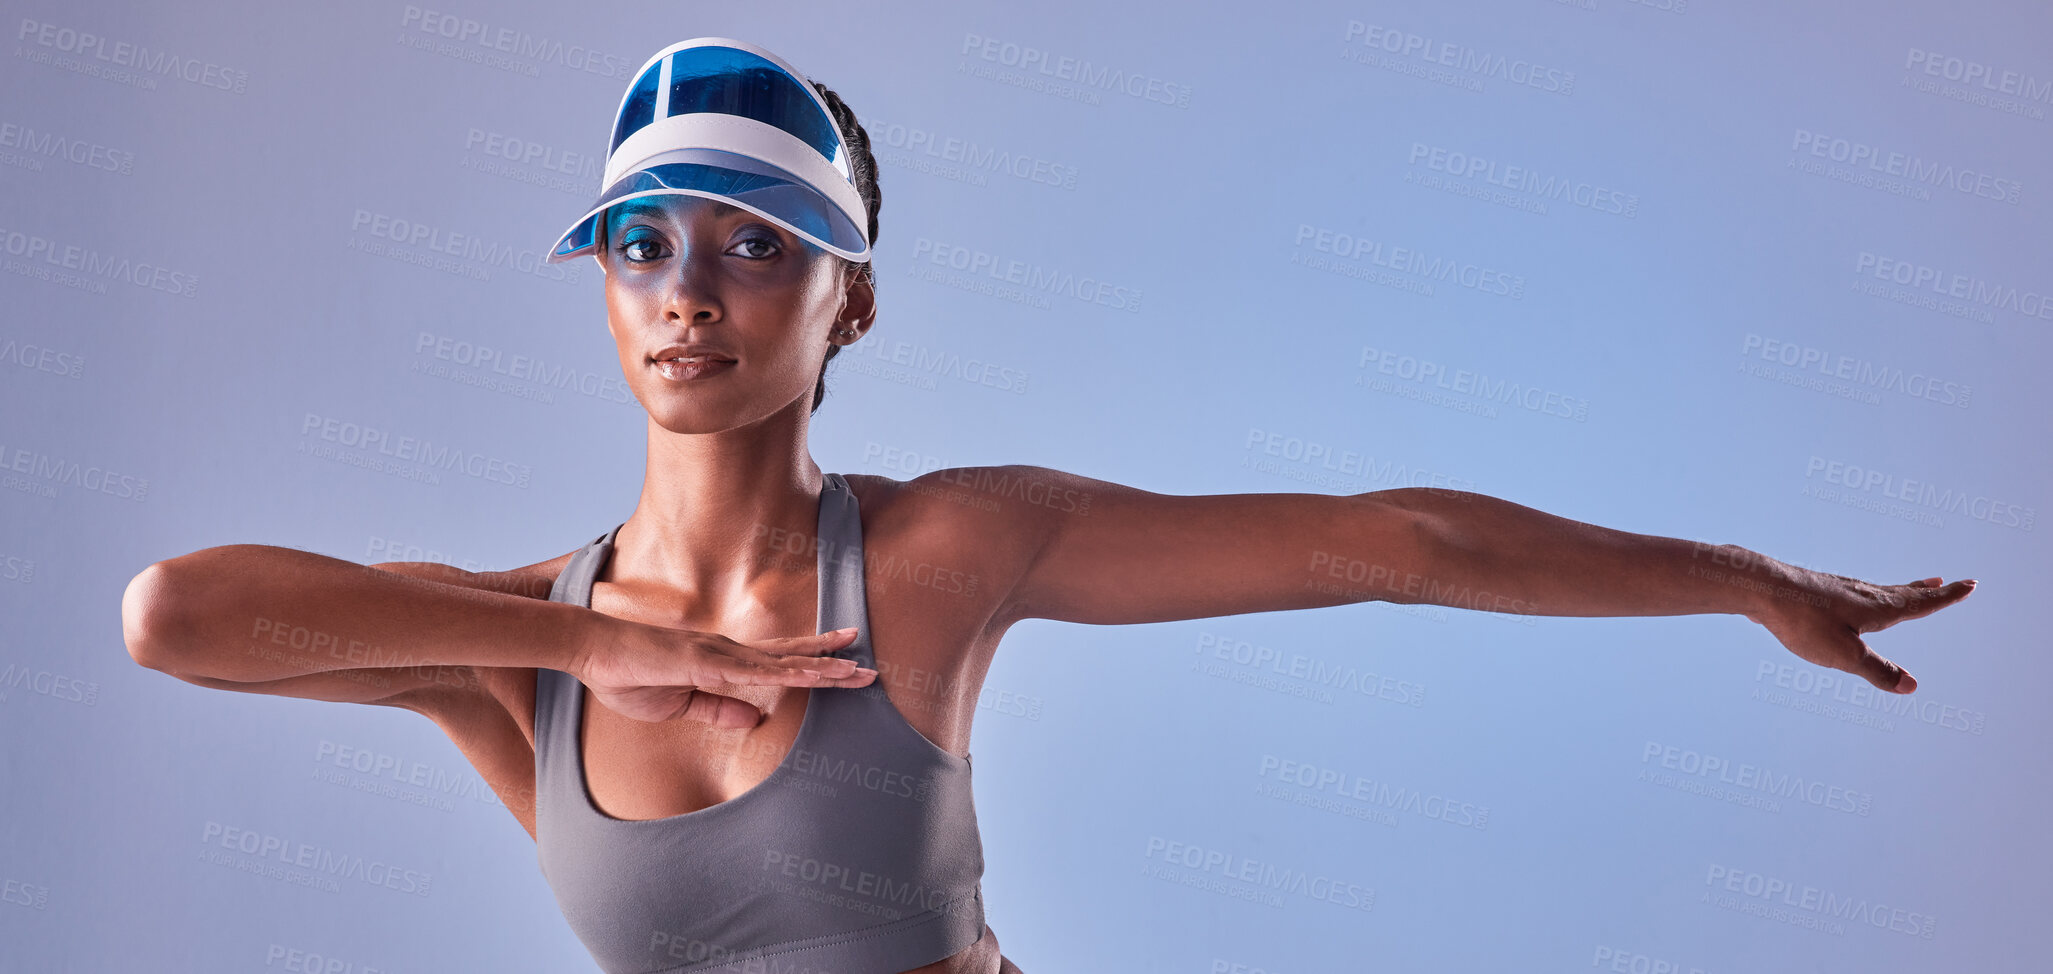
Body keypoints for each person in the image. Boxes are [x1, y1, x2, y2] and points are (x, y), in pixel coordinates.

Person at [119, 36, 1977, 974]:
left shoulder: (940, 549)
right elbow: (173, 616)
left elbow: (1398, 541)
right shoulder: (500, 640)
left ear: (853, 298)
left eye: (759, 245)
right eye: (642, 240)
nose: (687, 287)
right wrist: (592, 638)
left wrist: (1743, 579)